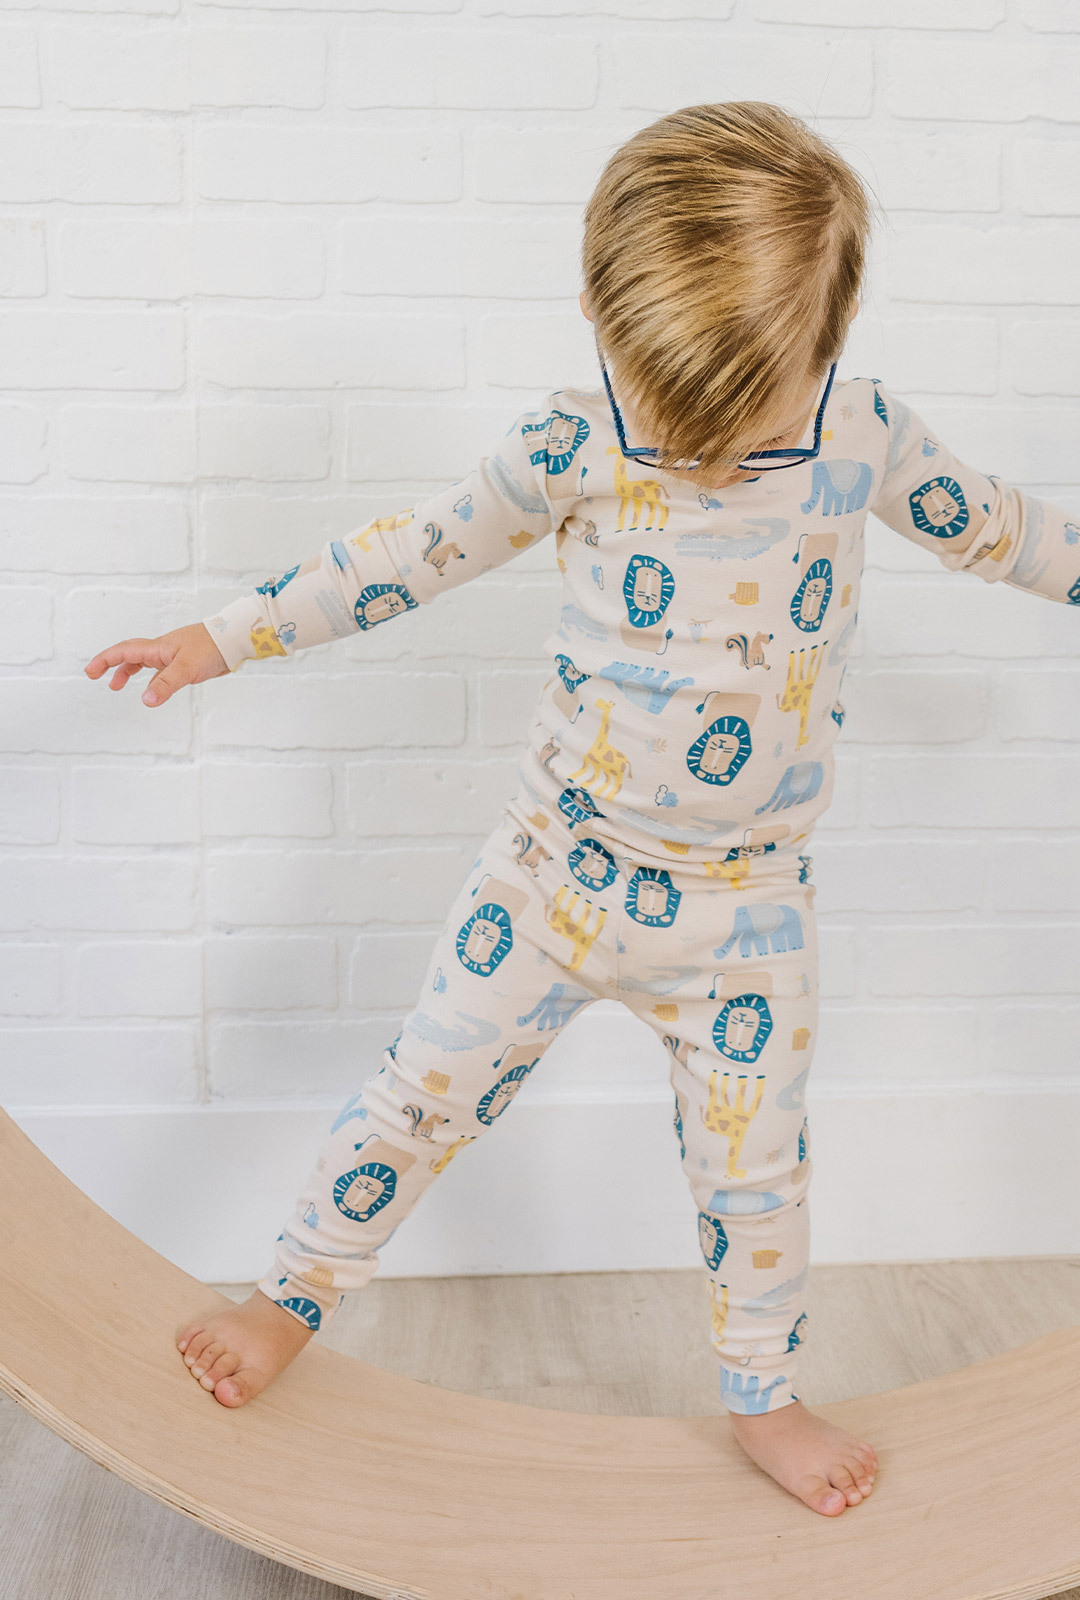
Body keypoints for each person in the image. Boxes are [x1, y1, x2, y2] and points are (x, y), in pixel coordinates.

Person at [84, 100, 1078, 1519]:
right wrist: (223, 636)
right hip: (554, 878)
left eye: (744, 415)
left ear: (830, 339)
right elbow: (408, 557)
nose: (703, 449)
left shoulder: (864, 435)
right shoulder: (575, 441)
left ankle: (765, 1396)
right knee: (420, 1094)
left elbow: (1007, 531)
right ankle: (289, 1296)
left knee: (759, 1176)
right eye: (673, 410)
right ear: (607, 326)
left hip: (746, 913)